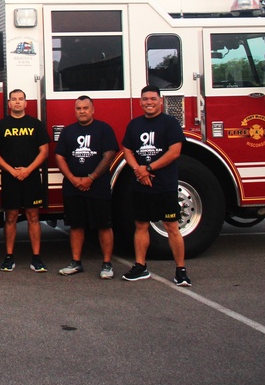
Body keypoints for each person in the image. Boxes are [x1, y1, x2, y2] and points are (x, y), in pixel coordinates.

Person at [120, 85, 191, 287]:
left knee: (171, 227)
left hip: (165, 185)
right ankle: (140, 266)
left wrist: (148, 167)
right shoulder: (134, 125)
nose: (149, 102)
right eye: (145, 99)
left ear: (160, 101)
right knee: (141, 225)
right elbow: (127, 149)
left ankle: (181, 270)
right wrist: (138, 170)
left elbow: (174, 152)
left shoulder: (170, 123)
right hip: (142, 185)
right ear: (140, 102)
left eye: (152, 98)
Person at [54, 95, 118, 279]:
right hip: (73, 187)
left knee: (104, 225)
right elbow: (60, 157)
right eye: (78, 108)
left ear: (93, 109)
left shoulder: (103, 129)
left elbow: (109, 154)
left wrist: (91, 177)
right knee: (76, 225)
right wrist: (73, 179)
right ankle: (76, 262)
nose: (82, 111)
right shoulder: (68, 132)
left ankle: (107, 264)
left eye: (85, 108)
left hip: (98, 187)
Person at [0, 89, 50, 273]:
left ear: (26, 103)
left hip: (31, 178)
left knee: (33, 216)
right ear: (8, 103)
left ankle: (37, 258)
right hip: (10, 178)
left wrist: (28, 170)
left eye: (20, 99)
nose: (17, 102)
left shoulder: (35, 124)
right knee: (11, 218)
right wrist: (11, 171)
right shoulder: (1, 126)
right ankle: (9, 257)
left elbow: (44, 151)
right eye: (13, 99)